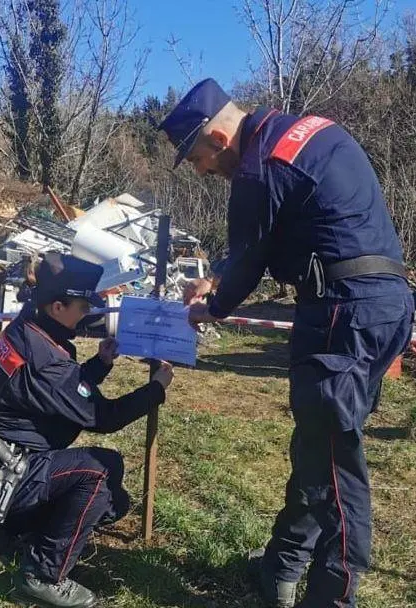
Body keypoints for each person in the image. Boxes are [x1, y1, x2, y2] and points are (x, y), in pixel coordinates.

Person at [159, 78, 414, 608]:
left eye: (199, 159)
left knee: (338, 467)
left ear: (219, 139)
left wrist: (212, 305)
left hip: (341, 311)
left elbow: (249, 259)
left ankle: (330, 596)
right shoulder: (308, 132)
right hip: (384, 302)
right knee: (319, 446)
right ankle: (282, 565)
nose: (204, 172)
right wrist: (221, 278)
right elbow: (269, 238)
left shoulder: (259, 167)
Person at [0, 252, 174, 608]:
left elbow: (59, 392)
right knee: (98, 474)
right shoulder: (45, 357)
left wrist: (100, 364)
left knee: (114, 491)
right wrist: (156, 389)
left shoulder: (30, 328)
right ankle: (42, 575)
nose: (88, 313)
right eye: (82, 306)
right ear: (58, 306)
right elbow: (103, 417)